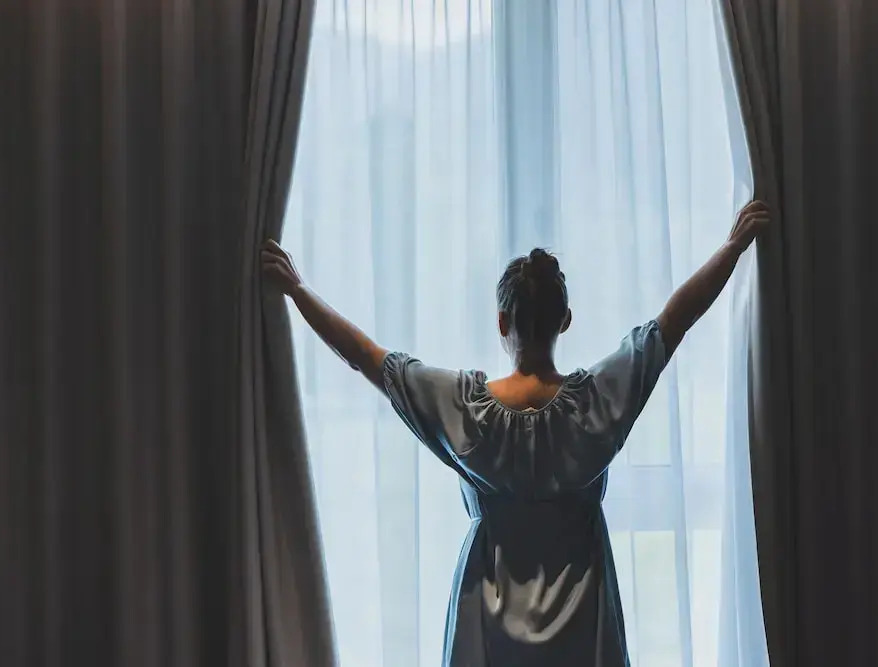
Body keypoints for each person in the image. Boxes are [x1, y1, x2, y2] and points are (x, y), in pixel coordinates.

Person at [260, 200, 772, 667]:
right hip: (582, 622)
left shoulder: (467, 412)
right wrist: (731, 248)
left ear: (502, 321)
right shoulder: (595, 404)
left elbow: (366, 358)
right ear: (565, 320)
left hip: (487, 625)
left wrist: (298, 292)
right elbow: (674, 321)